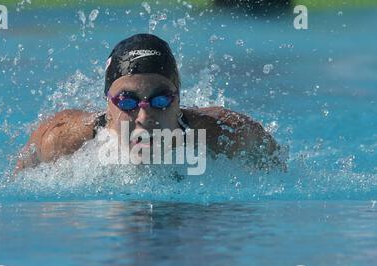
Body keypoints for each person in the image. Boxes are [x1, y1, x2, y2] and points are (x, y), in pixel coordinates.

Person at [15, 33, 285, 173]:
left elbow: (276, 168)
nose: (145, 117)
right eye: (127, 101)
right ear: (107, 103)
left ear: (178, 100)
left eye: (160, 99)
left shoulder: (224, 134)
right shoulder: (62, 139)